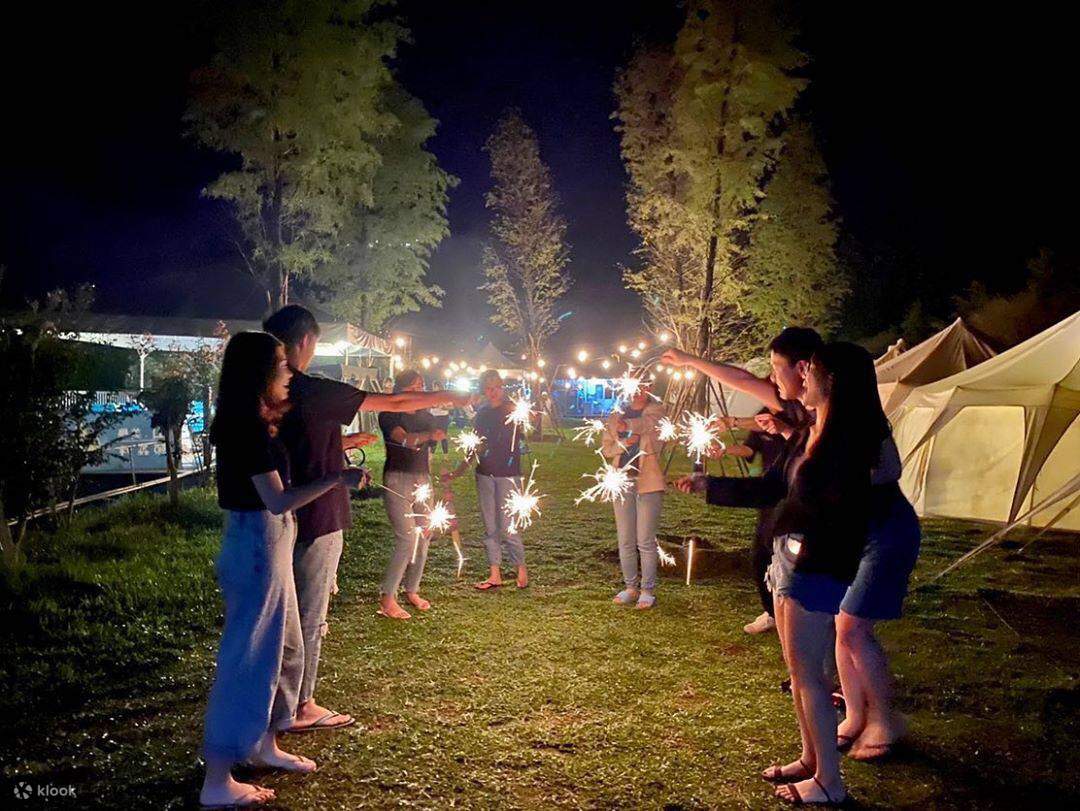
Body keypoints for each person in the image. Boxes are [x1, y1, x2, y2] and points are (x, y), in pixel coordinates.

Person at [677, 342, 886, 806]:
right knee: (797, 672)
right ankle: (811, 758)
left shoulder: (846, 443)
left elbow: (839, 511)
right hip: (792, 560)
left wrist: (805, 541)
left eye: (809, 373)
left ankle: (830, 781)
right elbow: (774, 486)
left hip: (818, 565)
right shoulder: (808, 431)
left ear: (831, 381)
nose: (799, 380)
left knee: (810, 675)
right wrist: (711, 485)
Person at [263, 305, 474, 733]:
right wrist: (450, 397)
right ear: (305, 342)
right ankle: (300, 704)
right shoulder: (311, 389)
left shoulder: (268, 393)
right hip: (318, 512)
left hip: (280, 513)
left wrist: (341, 442)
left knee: (287, 611)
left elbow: (296, 444)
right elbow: (395, 401)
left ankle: (279, 699)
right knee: (309, 611)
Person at [200, 332, 367, 808]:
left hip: (270, 544)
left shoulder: (258, 419)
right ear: (258, 372)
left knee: (285, 648)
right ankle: (216, 778)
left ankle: (264, 741)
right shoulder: (243, 427)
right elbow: (276, 500)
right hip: (256, 545)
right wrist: (336, 479)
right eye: (279, 363)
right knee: (247, 659)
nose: (289, 371)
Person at [663, 327, 823, 635]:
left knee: (839, 627)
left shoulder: (831, 417)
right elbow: (774, 481)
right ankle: (782, 624)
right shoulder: (796, 411)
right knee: (769, 558)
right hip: (788, 506)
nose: (771, 379)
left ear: (803, 369)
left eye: (776, 369)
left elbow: (744, 381)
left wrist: (690, 361)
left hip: (819, 524)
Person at [834, 433, 921, 760]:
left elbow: (889, 468)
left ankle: (886, 719)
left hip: (884, 531)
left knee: (853, 627)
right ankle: (856, 715)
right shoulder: (809, 413)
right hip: (850, 534)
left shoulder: (860, 415)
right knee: (841, 623)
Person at [708, 410, 789, 634]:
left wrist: (731, 422)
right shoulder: (763, 412)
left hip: (792, 492)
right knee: (760, 552)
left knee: (785, 552)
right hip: (767, 491)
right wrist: (724, 450)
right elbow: (749, 450)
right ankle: (771, 611)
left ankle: (790, 612)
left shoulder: (794, 411)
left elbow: (767, 425)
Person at [446, 369, 528, 590]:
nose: (493, 392)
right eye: (489, 388)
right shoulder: (482, 414)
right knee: (490, 525)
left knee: (509, 525)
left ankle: (520, 568)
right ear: (484, 389)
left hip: (508, 475)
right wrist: (460, 469)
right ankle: (495, 573)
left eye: (497, 387)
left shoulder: (511, 410)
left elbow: (520, 439)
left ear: (502, 386)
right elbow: (475, 445)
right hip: (485, 473)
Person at [376, 369, 446, 620]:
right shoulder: (389, 414)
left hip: (422, 480)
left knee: (423, 535)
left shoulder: (426, 416)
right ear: (401, 388)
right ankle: (387, 598)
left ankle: (412, 590)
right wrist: (428, 436)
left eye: (421, 386)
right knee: (407, 538)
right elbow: (404, 440)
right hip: (397, 479)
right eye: (414, 387)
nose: (419, 391)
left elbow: (429, 448)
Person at [601, 381, 666, 609]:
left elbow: (647, 426)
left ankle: (647, 589)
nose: (637, 391)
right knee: (625, 539)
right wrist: (622, 444)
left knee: (645, 540)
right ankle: (631, 586)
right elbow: (606, 448)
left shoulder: (656, 411)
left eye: (642, 386)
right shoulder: (615, 415)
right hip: (622, 481)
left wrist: (626, 425)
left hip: (648, 481)